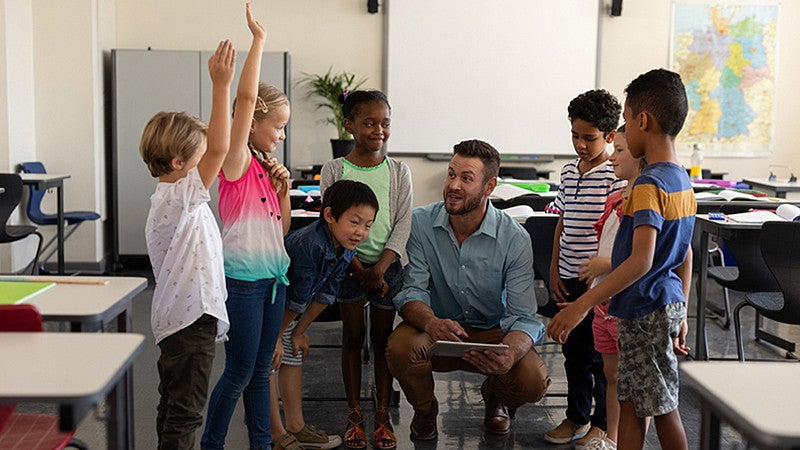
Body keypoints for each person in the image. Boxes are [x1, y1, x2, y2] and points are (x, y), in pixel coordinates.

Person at [547, 68, 694, 450]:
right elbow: (685, 255)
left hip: (644, 308)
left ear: (641, 121)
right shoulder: (682, 180)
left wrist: (581, 304)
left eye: (626, 121)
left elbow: (640, 261)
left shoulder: (648, 185)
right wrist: (684, 309)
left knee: (662, 409)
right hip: (660, 305)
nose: (624, 130)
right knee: (630, 404)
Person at [386, 139, 551, 440]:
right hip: (436, 328)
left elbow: (524, 315)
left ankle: (497, 396)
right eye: (451, 174)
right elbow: (411, 292)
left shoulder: (514, 238)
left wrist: (510, 355)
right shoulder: (420, 224)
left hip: (492, 332)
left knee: (533, 381)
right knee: (400, 348)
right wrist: (431, 322)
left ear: (489, 187)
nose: (453, 185)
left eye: (466, 178)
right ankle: (425, 411)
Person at [201, 4, 293, 449]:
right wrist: (259, 42)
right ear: (252, 123)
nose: (280, 135)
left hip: (273, 282)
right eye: (277, 126)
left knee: (261, 371)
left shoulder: (265, 168)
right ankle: (211, 444)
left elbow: (281, 231)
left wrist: (284, 192)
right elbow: (242, 99)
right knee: (239, 372)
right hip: (244, 285)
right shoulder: (235, 164)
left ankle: (262, 443)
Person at [140, 40, 235, 450]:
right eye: (198, 159)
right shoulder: (180, 196)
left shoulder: (171, 199)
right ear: (179, 164)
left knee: (172, 407)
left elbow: (212, 150)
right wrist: (221, 84)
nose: (207, 166)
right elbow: (219, 147)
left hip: (180, 319)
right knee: (185, 413)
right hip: (189, 320)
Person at [319, 90, 412, 450]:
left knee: (384, 342)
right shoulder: (335, 169)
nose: (379, 130)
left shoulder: (398, 170)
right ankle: (355, 414)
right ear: (350, 125)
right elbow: (330, 222)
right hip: (348, 267)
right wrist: (356, 265)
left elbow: (402, 223)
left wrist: (381, 266)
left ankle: (383, 415)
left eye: (385, 123)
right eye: (369, 122)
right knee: (353, 339)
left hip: (386, 268)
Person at [269, 180, 379, 450]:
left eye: (368, 225)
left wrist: (298, 332)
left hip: (289, 308)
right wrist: (275, 336)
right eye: (354, 222)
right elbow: (297, 298)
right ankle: (275, 433)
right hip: (270, 304)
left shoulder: (347, 246)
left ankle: (296, 426)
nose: (360, 232)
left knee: (292, 354)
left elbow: (325, 294)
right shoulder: (312, 245)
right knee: (268, 363)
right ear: (329, 215)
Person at [546, 89, 625, 447]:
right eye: (575, 136)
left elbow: (615, 233)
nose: (580, 144)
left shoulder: (615, 174)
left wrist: (599, 279)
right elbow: (561, 221)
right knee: (573, 352)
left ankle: (602, 424)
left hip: (597, 284)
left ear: (609, 136)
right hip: (567, 276)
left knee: (599, 357)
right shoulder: (567, 171)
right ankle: (576, 417)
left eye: (589, 138)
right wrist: (552, 268)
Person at [576, 125, 645, 450]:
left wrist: (605, 266)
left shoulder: (646, 200)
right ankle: (613, 438)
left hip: (630, 304)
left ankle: (631, 441)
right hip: (605, 304)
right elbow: (608, 241)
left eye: (619, 150)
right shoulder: (616, 197)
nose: (613, 156)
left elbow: (645, 258)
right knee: (613, 374)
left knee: (634, 383)